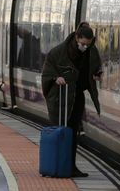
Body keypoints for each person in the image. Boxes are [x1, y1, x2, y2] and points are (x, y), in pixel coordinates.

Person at [41, 25, 102, 178]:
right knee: (60, 131)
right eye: (82, 44)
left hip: (77, 97)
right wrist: (56, 78)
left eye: (88, 44)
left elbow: (95, 67)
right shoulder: (59, 52)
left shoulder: (91, 51)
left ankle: (70, 166)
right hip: (61, 97)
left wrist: (96, 74)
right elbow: (47, 72)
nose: (85, 47)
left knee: (72, 133)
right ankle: (55, 164)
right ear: (76, 38)